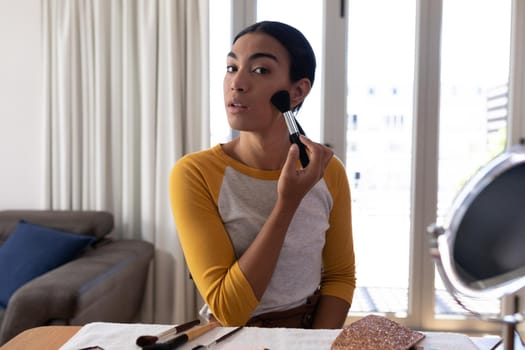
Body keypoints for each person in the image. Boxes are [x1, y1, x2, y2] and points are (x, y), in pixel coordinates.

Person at [169, 21, 355, 329]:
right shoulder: (195, 174)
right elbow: (230, 311)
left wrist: (315, 345)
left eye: (260, 71)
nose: (237, 83)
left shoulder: (327, 171)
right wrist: (287, 204)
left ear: (297, 91)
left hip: (309, 333)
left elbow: (339, 277)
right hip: (233, 338)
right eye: (231, 67)